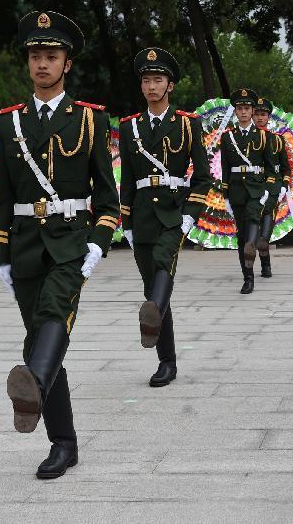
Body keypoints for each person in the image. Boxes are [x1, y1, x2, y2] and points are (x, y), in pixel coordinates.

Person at [0, 10, 119, 478]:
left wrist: (98, 243)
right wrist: (3, 256)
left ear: (67, 63)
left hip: (69, 243)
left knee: (52, 319)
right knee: (43, 340)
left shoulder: (90, 120)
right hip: (25, 244)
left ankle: (35, 392)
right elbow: (4, 197)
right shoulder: (7, 124)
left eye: (52, 56)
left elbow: (108, 194)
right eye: (35, 56)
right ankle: (62, 441)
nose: (42, 64)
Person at [118, 47, 212, 387]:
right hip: (142, 215)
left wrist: (190, 216)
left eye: (158, 79)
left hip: (174, 214)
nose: (152, 86)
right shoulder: (130, 127)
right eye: (146, 80)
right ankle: (166, 360)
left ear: (170, 85)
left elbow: (203, 176)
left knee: (163, 265)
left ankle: (154, 322)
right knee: (154, 287)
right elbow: (127, 180)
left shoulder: (187, 124)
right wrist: (125, 222)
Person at [220, 88, 276, 294]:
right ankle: (247, 275)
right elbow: (225, 168)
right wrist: (225, 194)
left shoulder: (263, 136)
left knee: (253, 220)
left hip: (257, 190)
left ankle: (251, 253)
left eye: (247, 108)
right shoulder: (228, 137)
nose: (243, 112)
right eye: (240, 108)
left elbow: (271, 168)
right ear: (235, 112)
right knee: (241, 235)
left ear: (252, 111)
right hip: (236, 190)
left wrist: (269, 191)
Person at [256, 97, 289, 277]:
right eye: (257, 114)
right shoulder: (244, 138)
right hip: (252, 186)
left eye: (263, 114)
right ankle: (258, 262)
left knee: (266, 223)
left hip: (272, 188)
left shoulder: (277, 140)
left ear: (269, 117)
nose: (260, 118)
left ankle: (265, 264)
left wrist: (284, 185)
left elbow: (285, 167)